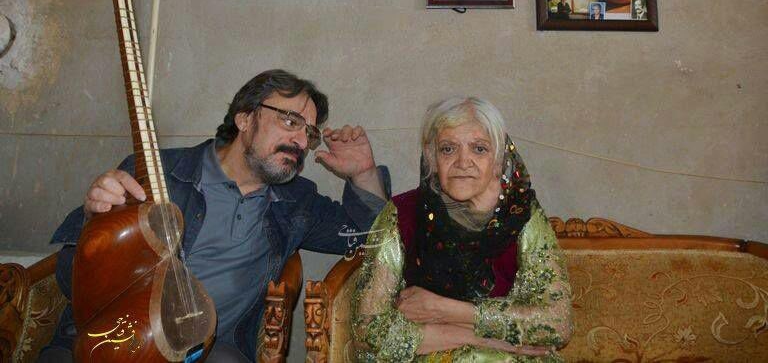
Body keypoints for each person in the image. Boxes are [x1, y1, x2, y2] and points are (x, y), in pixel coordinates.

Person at [41, 69, 390, 363]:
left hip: (208, 352)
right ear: (244, 118)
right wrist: (96, 224)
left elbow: (371, 238)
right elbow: (68, 277)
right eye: (290, 121)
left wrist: (363, 173)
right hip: (111, 341)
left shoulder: (297, 202)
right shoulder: (156, 173)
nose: (301, 140)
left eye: (309, 133)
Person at [352, 97, 572, 362]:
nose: (463, 162)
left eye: (479, 149)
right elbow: (367, 329)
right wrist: (480, 337)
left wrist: (446, 310)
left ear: (498, 159)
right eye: (448, 149)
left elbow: (558, 323)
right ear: (432, 158)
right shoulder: (402, 214)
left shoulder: (522, 215)